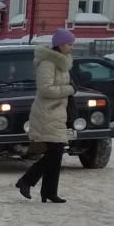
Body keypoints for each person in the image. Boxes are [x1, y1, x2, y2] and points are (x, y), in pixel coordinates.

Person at [16, 28, 76, 204]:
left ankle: (49, 192)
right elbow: (45, 89)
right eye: (69, 44)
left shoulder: (62, 62)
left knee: (55, 152)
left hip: (57, 113)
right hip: (46, 113)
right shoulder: (48, 63)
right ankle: (26, 181)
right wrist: (70, 89)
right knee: (55, 152)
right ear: (59, 45)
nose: (71, 48)